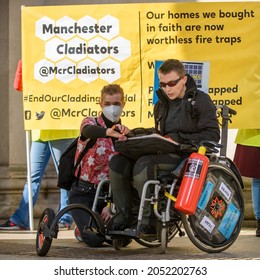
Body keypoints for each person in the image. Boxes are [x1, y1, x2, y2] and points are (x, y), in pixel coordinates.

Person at [109, 59, 220, 234]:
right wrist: (132, 134)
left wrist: (178, 138)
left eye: (172, 83)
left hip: (187, 156)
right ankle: (123, 216)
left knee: (144, 164)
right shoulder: (161, 105)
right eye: (163, 84)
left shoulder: (201, 100)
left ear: (183, 79)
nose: (167, 88)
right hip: (164, 151)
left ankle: (149, 222)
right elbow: (159, 133)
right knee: (117, 162)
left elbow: (212, 135)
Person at [0, 59, 78, 230]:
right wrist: (24, 60)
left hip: (62, 128)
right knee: (32, 177)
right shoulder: (33, 54)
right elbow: (18, 85)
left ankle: (65, 218)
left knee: (64, 177)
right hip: (40, 128)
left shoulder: (69, 56)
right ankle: (21, 218)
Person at [69, 84, 130, 246]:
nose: (112, 108)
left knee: (122, 239)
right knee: (95, 239)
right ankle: (81, 227)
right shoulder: (90, 122)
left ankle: (100, 224)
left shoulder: (124, 132)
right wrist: (107, 132)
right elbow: (87, 130)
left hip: (109, 195)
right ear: (100, 104)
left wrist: (112, 205)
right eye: (107, 104)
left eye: (116, 104)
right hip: (84, 192)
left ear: (123, 104)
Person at [233, 129, 260, 237]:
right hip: (251, 139)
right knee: (257, 181)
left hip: (250, 138)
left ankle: (259, 223)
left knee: (257, 181)